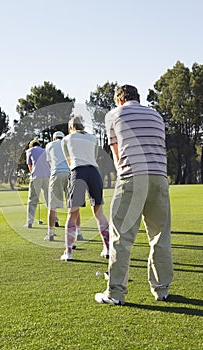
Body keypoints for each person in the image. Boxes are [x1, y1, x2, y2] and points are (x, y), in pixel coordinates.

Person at [95, 84, 174, 305]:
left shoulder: (114, 114)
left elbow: (117, 154)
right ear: (137, 98)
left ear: (119, 100)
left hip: (132, 177)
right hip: (159, 177)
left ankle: (116, 293)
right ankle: (162, 290)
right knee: (160, 236)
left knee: (121, 237)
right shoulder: (156, 115)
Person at [60, 116, 109, 261]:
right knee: (99, 213)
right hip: (94, 172)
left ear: (71, 127)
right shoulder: (93, 138)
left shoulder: (66, 139)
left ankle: (68, 252)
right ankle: (107, 249)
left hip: (78, 172)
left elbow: (68, 160)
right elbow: (94, 157)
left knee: (72, 214)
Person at [44, 131, 83, 241]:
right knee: (74, 205)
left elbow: (50, 163)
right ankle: (79, 233)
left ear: (53, 138)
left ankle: (50, 234)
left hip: (56, 174)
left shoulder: (49, 145)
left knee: (52, 206)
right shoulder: (68, 143)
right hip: (71, 174)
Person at [24, 139, 50, 228]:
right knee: (49, 199)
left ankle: (29, 222)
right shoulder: (45, 151)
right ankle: (55, 220)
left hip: (36, 177)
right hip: (47, 176)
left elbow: (30, 166)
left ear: (31, 145)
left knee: (32, 200)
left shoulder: (29, 151)